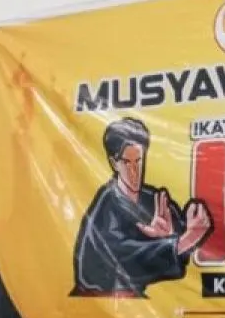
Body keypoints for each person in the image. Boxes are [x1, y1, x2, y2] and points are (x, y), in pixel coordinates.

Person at [70, 116, 214, 298]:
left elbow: (180, 257)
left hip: (138, 302)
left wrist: (171, 236)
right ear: (114, 163)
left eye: (138, 161)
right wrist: (184, 240)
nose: (134, 172)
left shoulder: (154, 200)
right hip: (99, 302)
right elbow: (123, 257)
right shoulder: (106, 204)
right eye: (127, 162)